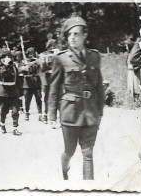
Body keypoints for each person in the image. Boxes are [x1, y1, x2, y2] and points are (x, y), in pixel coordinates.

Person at [48, 16, 104, 180]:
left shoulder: (94, 56)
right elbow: (54, 87)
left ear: (84, 35)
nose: (72, 38)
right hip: (70, 113)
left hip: (91, 112)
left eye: (76, 34)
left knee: (88, 153)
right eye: (69, 35)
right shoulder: (61, 58)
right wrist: (52, 115)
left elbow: (99, 85)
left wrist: (100, 111)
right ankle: (64, 167)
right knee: (70, 151)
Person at [0, 50, 22, 136]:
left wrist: (20, 93)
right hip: (3, 92)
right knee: (3, 110)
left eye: (8, 57)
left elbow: (17, 80)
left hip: (13, 91)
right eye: (4, 57)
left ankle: (15, 128)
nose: (6, 59)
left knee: (15, 111)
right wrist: (5, 67)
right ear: (0, 59)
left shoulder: (14, 67)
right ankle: (2, 125)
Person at [20, 47, 43, 121]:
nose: (31, 55)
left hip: (36, 82)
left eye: (32, 53)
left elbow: (41, 67)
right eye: (29, 53)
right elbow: (19, 69)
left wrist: (37, 62)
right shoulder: (24, 61)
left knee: (38, 99)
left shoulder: (37, 60)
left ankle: (40, 114)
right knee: (27, 100)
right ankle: (27, 113)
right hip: (27, 83)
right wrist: (25, 67)